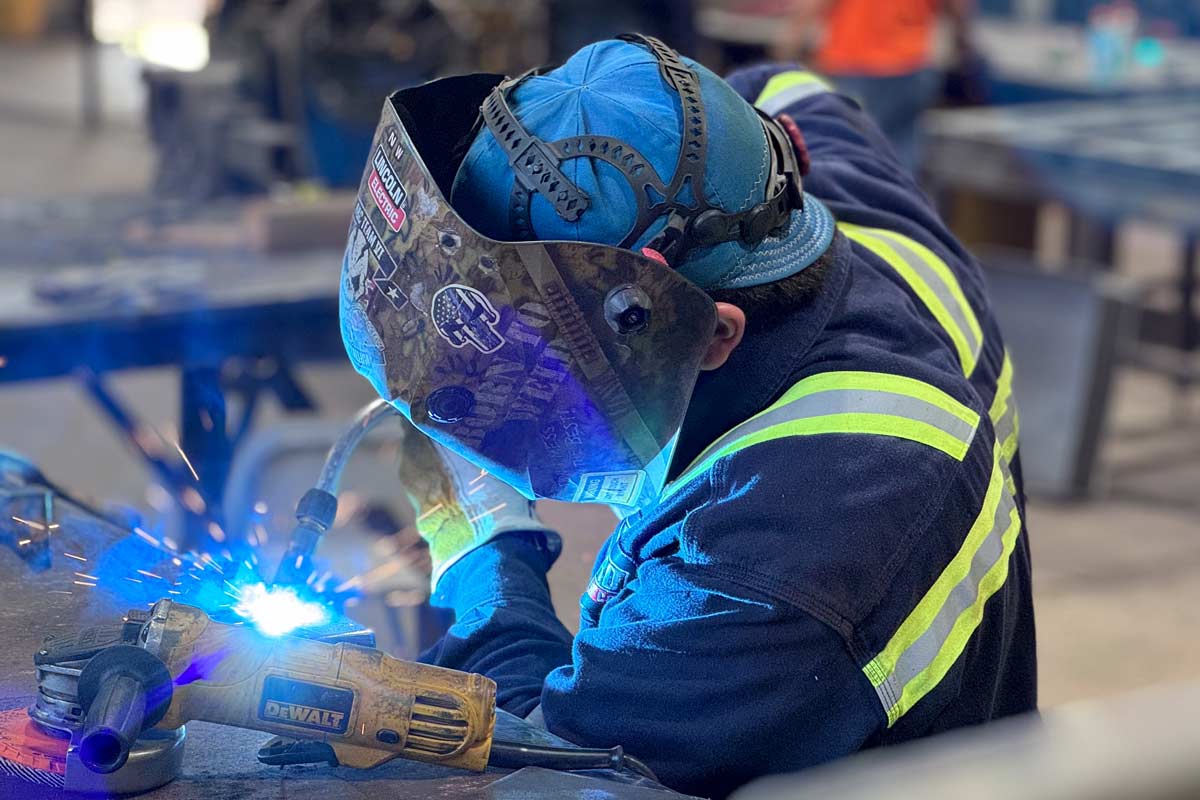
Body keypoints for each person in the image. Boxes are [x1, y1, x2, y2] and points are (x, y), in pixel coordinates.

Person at [338, 34, 1035, 798]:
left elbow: (550, 768)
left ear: (712, 336)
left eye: (536, 356)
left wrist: (481, 544)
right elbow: (784, 85)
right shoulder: (814, 185)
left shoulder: (785, 543)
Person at [774, 0, 976, 167]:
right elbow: (956, 7)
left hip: (854, 65)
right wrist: (963, 41)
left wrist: (788, 48)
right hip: (911, 66)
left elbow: (813, 5)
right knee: (900, 154)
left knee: (846, 152)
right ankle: (899, 210)